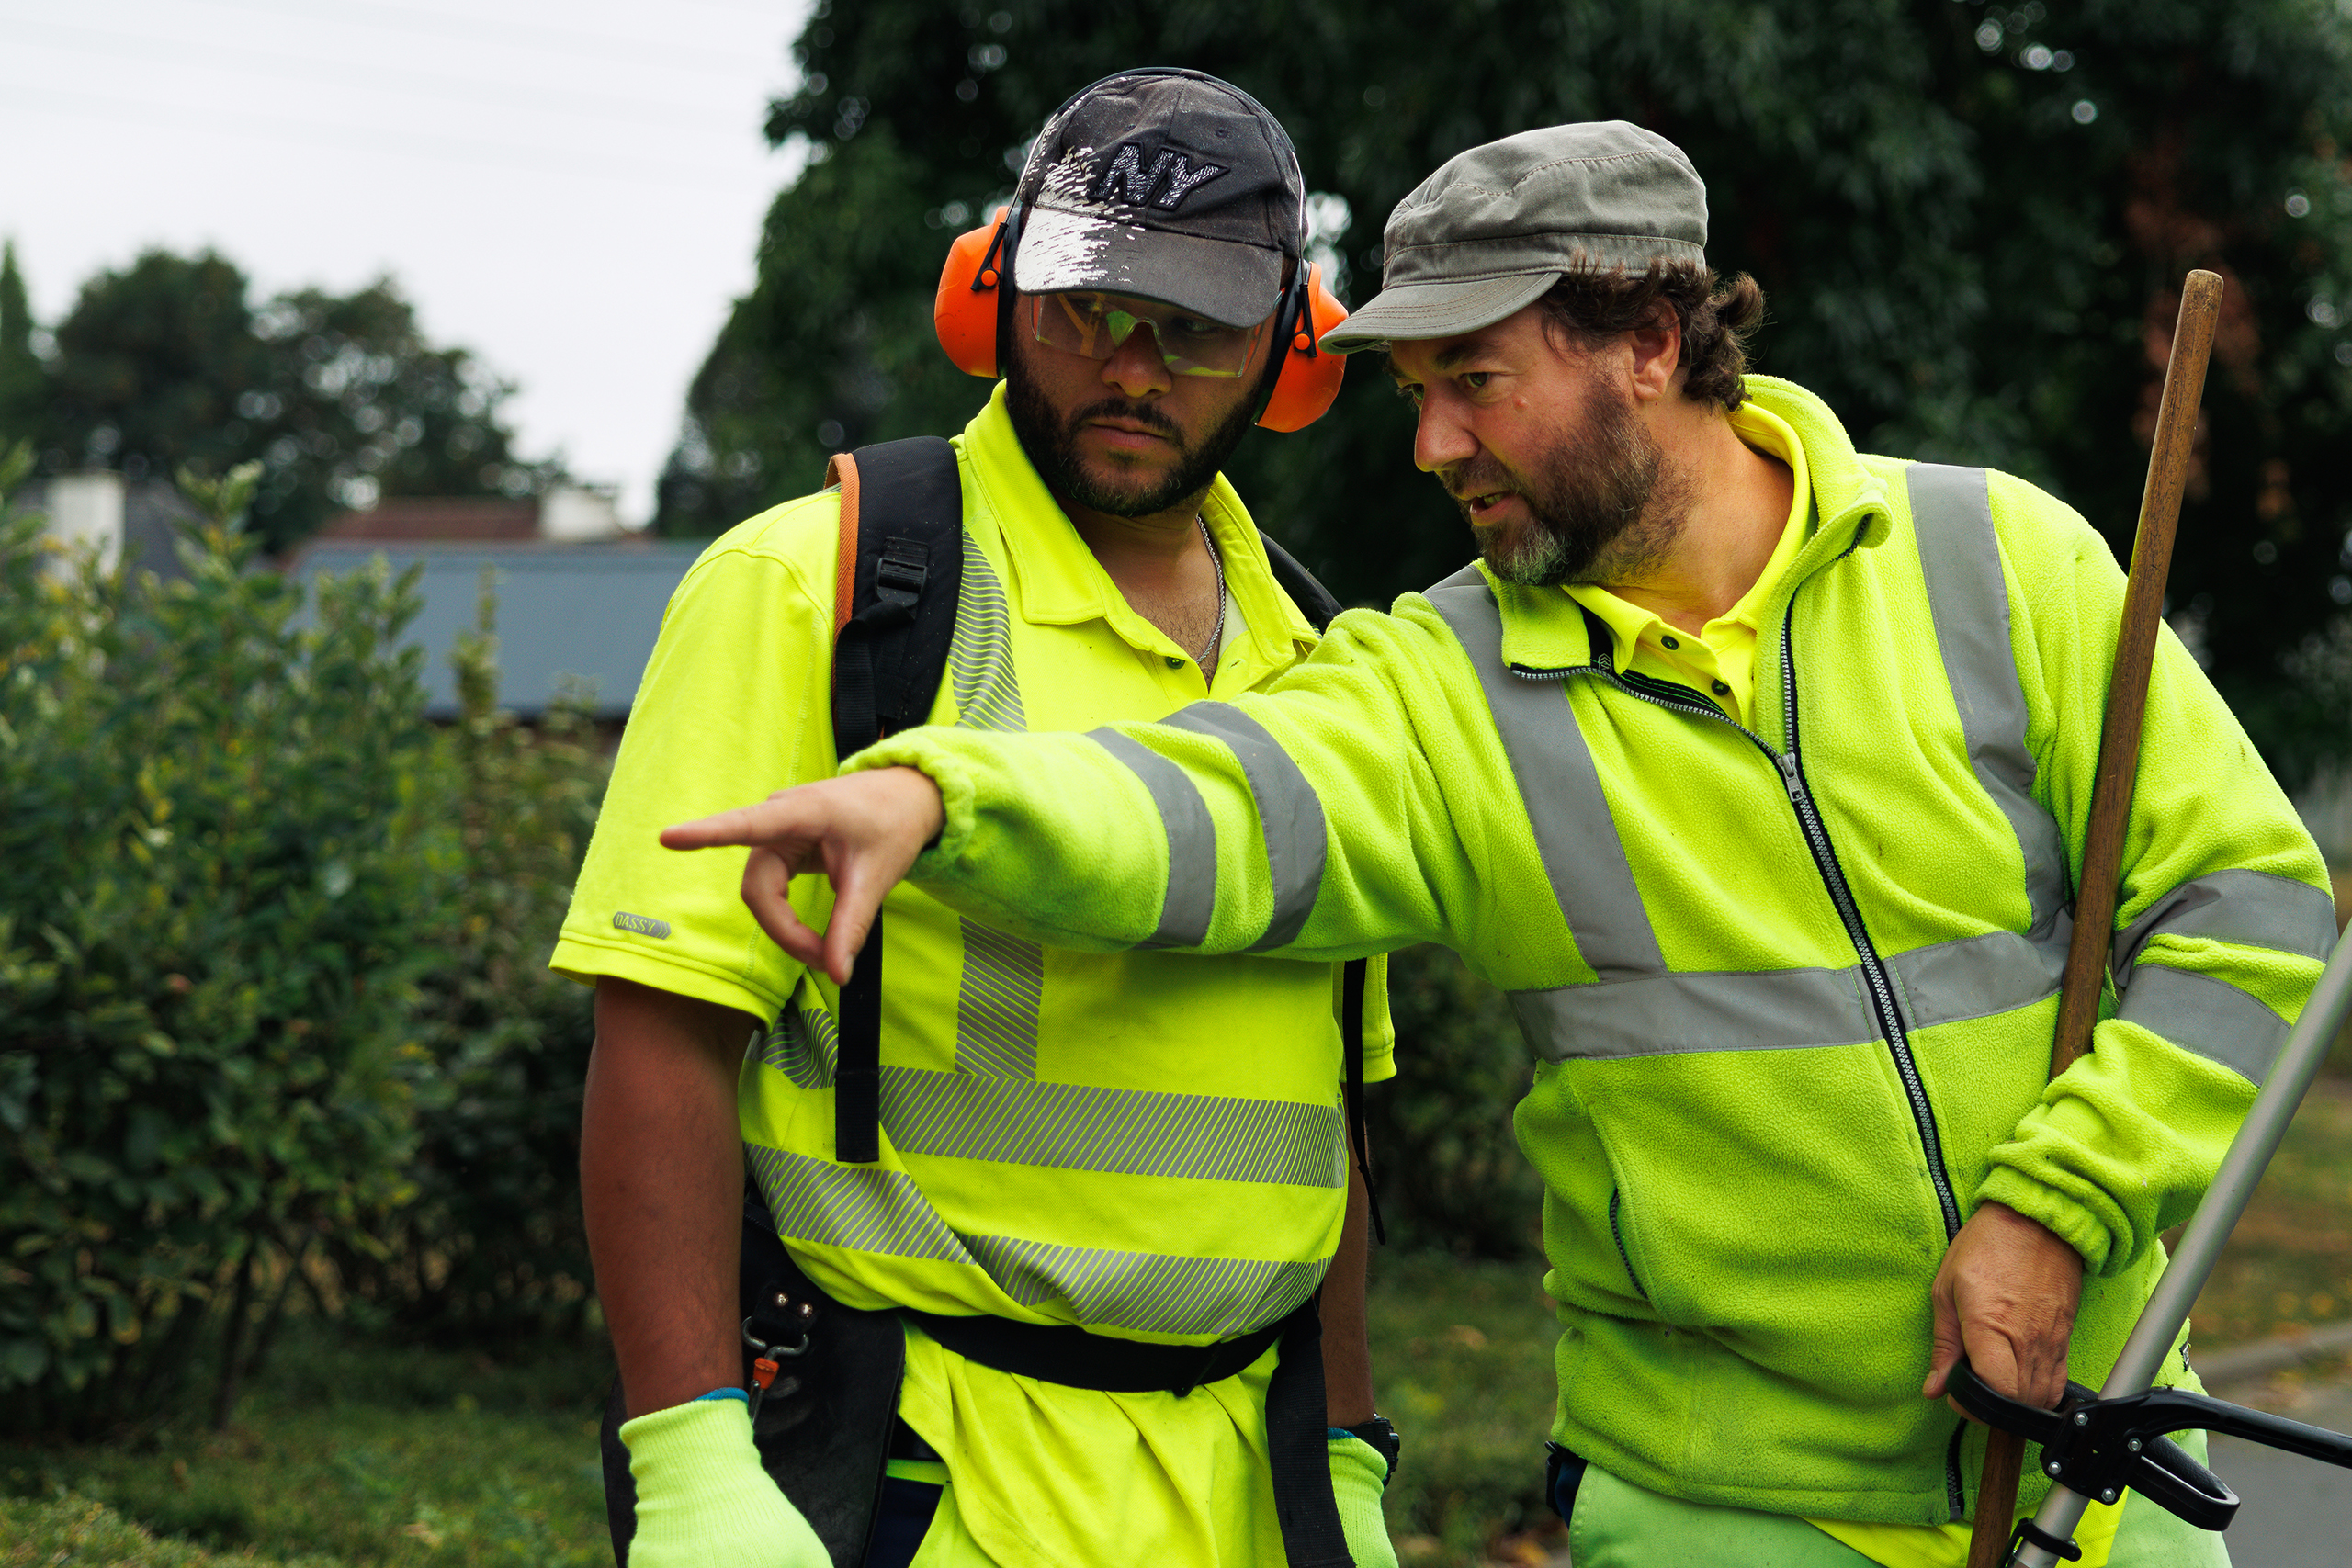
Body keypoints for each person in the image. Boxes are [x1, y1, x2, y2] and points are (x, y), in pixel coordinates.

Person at [663, 122, 2337, 1567]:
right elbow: (1220, 801)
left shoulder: (1996, 558)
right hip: (1721, 1508)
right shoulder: (1441, 683)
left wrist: (2058, 1213)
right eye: (1413, 390)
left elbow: (2246, 905)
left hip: (2105, 1472)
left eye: (1476, 382)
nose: (1433, 447)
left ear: (1652, 347)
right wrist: (945, 797)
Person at [561, 69, 1402, 1568]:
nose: (1130, 367)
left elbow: (1327, 1107)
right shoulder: (823, 586)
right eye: (1086, 309)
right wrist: (690, 1454)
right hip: (920, 1481)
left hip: (1245, 1494)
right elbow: (665, 1032)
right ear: (991, 290)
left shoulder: (1325, 666)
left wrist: (1343, 1458)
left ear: (1295, 351)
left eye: (1195, 327)